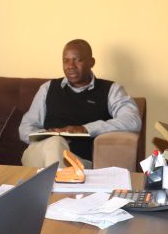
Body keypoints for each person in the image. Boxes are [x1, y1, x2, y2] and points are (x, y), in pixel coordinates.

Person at [18, 39, 141, 167]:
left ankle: (50, 179)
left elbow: (132, 120)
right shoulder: (47, 88)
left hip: (79, 161)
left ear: (92, 62)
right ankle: (55, 177)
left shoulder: (111, 90)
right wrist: (46, 135)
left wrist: (86, 129)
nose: (71, 65)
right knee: (54, 143)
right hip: (39, 154)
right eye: (66, 60)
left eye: (78, 60)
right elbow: (26, 127)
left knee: (56, 145)